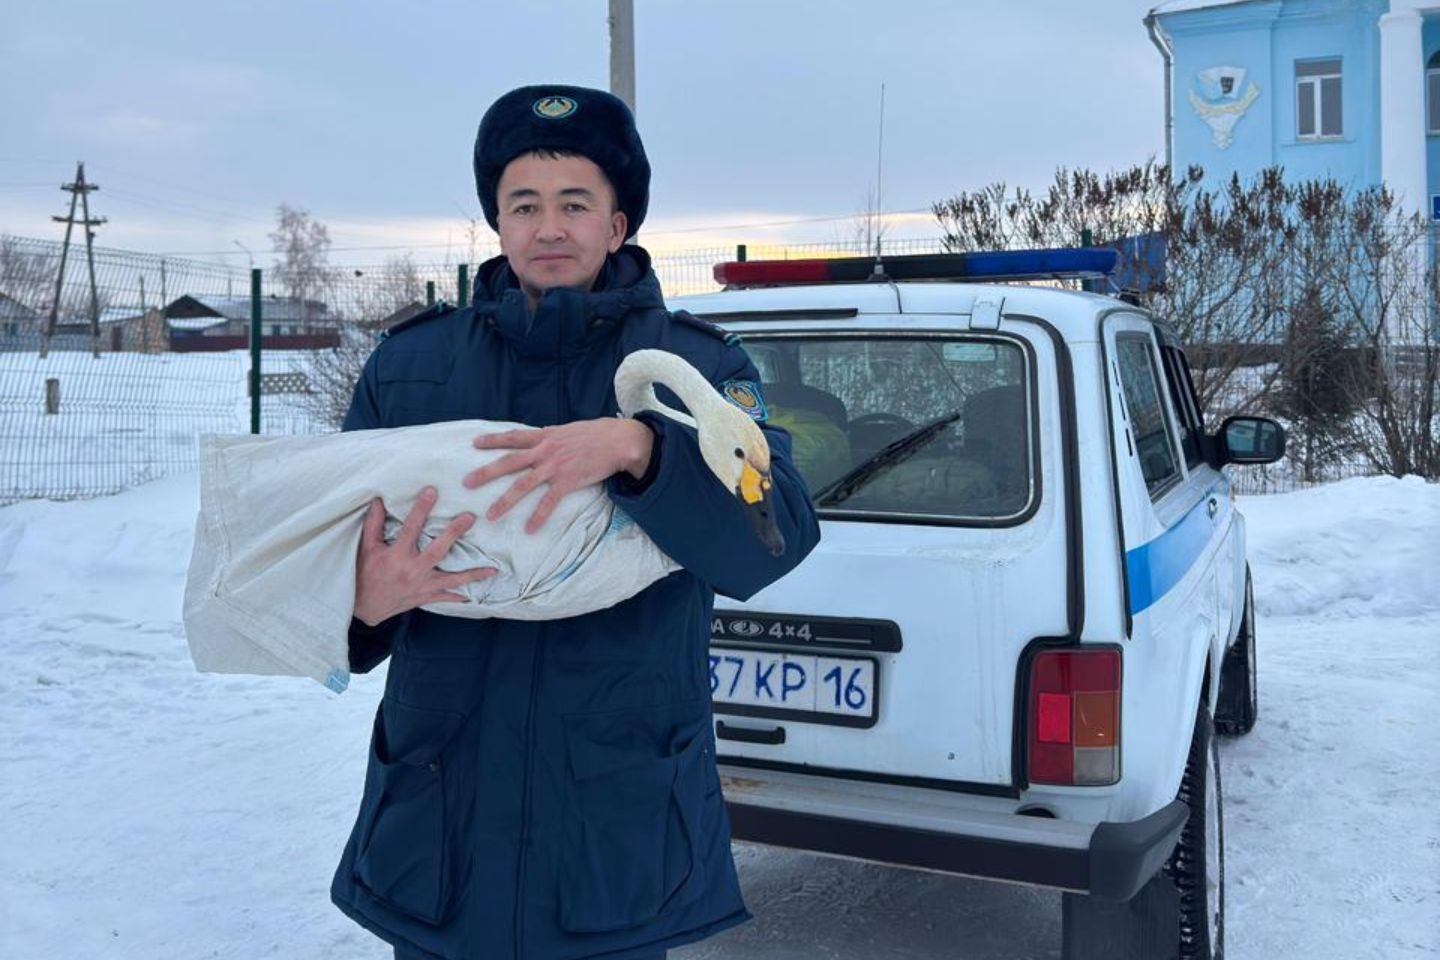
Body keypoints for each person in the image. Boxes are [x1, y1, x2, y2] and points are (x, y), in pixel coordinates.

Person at [328, 84, 821, 960]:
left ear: (617, 224)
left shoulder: (694, 368)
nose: (548, 226)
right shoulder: (410, 369)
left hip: (613, 813)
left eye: (574, 203)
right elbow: (326, 556)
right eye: (524, 204)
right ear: (498, 222)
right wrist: (365, 599)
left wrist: (644, 448)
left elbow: (774, 531)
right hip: (443, 807)